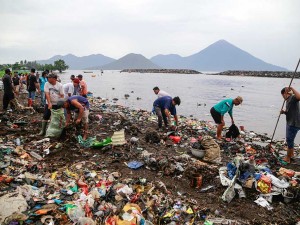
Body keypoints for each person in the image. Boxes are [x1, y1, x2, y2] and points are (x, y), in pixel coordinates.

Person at [280, 87, 300, 163]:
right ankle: (291, 155)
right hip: (290, 122)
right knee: (290, 139)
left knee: (289, 140)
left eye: (283, 95)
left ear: (285, 93)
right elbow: (290, 111)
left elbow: (299, 97)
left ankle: (288, 158)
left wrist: (292, 88)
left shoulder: (292, 97)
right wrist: (284, 112)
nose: (283, 98)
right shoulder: (287, 100)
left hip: (294, 123)